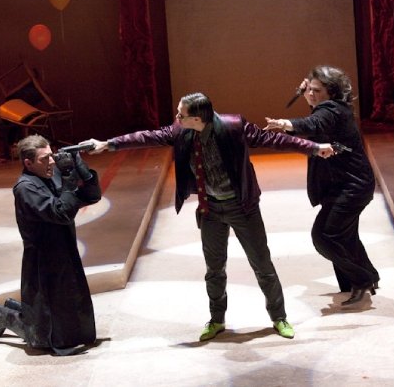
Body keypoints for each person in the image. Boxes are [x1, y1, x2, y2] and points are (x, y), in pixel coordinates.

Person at [82, 92, 334, 341]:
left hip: (242, 207)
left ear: (197, 118)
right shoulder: (181, 131)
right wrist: (108, 144)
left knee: (262, 265)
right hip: (210, 209)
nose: (176, 118)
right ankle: (216, 320)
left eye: (181, 115)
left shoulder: (234, 126)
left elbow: (273, 139)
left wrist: (313, 148)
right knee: (214, 269)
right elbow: (147, 136)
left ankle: (279, 317)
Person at [264, 65, 379, 306]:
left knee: (324, 236)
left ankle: (363, 279)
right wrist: (308, 96)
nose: (311, 94)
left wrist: (284, 123)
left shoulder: (332, 110)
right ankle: (362, 280)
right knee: (344, 236)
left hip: (351, 187)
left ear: (332, 92)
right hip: (344, 185)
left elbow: (314, 124)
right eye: (309, 89)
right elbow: (317, 120)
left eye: (317, 90)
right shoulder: (333, 109)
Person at [0, 134, 102, 355]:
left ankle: (16, 307)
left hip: (64, 250)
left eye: (51, 156)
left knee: (67, 315)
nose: (52, 162)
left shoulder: (52, 175)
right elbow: (61, 213)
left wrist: (82, 169)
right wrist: (68, 178)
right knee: (42, 335)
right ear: (28, 163)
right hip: (43, 261)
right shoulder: (25, 188)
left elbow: (91, 196)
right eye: (44, 159)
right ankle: (0, 315)